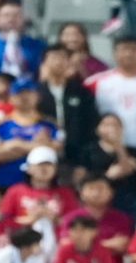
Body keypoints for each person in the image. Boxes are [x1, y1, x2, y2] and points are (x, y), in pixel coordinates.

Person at [0, 80, 64, 189]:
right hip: (7, 182)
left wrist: (15, 145)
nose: (24, 97)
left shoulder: (50, 124)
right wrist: (38, 146)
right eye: (19, 94)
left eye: (28, 93)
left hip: (43, 185)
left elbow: (56, 150)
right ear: (11, 98)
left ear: (37, 96)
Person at [38, 43, 100, 173]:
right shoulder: (36, 93)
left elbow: (91, 124)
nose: (59, 61)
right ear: (44, 62)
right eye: (54, 57)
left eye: (63, 57)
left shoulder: (82, 92)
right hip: (46, 152)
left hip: (77, 154)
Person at [84, 113, 136, 223]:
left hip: (127, 196)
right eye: (106, 124)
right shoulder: (89, 151)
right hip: (100, 196)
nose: (111, 128)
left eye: (115, 125)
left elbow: (128, 169)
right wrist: (107, 177)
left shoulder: (133, 151)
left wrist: (118, 145)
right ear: (98, 129)